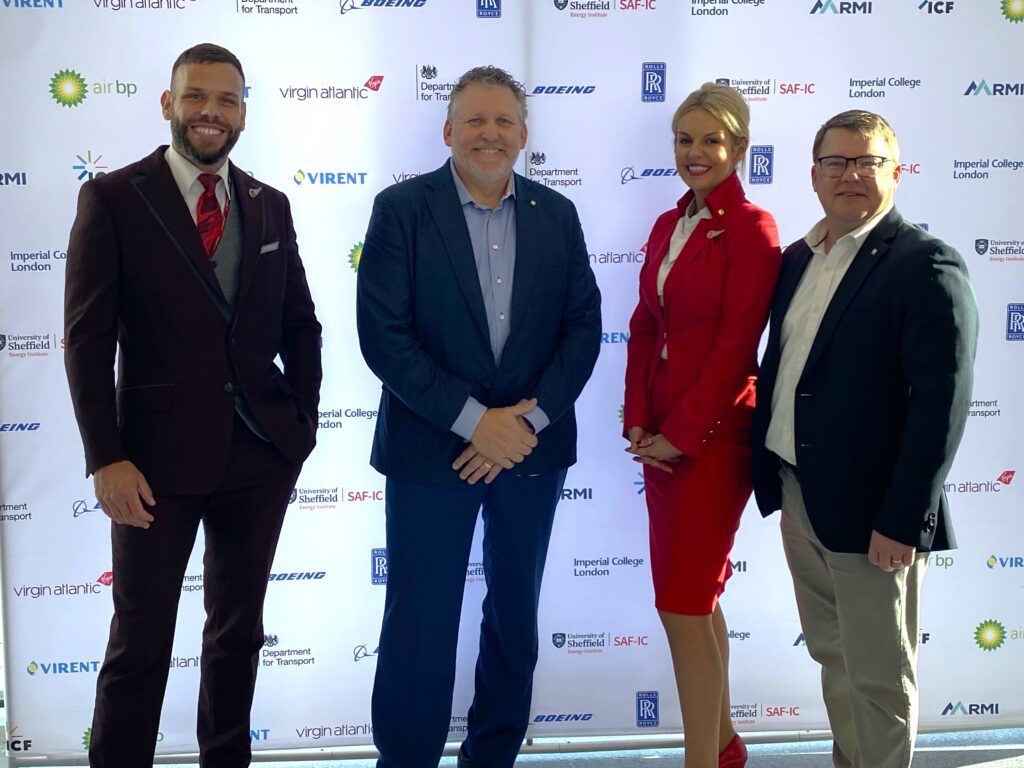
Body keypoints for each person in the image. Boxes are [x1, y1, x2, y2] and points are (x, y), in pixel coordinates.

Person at [64, 43, 322, 768]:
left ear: (243, 110)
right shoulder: (115, 197)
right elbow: (86, 340)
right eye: (197, 97)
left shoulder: (270, 204)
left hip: (259, 453)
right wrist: (106, 457)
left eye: (227, 99)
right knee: (140, 641)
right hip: (151, 462)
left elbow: (301, 324)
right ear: (169, 104)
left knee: (237, 636)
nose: (211, 112)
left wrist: (296, 430)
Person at [356, 65, 601, 768]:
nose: (489, 134)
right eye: (474, 120)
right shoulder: (400, 211)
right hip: (430, 449)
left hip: (531, 452)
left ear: (523, 135)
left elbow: (583, 327)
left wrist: (524, 425)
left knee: (514, 619)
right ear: (447, 131)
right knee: (420, 624)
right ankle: (406, 760)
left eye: (502, 122)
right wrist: (474, 422)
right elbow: (385, 337)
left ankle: (492, 756)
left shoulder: (557, 213)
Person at [750, 110, 978, 768]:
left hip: (878, 517)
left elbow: (942, 404)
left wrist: (904, 520)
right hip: (801, 495)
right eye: (836, 162)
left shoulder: (925, 263)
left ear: (896, 173)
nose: (850, 174)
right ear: (815, 176)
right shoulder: (798, 258)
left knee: (877, 678)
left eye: (867, 161)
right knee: (833, 659)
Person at [623, 82, 781, 768]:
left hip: (713, 442)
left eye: (711, 140)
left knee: (685, 604)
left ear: (738, 148)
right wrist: (638, 421)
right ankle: (721, 747)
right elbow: (641, 326)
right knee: (692, 600)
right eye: (684, 140)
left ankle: (703, 760)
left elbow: (735, 350)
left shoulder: (753, 228)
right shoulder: (666, 223)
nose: (695, 153)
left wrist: (680, 435)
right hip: (661, 439)